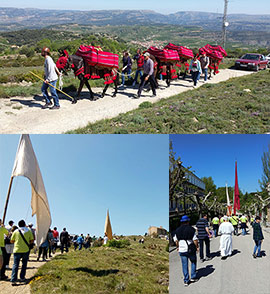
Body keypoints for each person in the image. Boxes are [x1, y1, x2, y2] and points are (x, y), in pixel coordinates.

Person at [173, 215, 198, 286]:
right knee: (193, 262)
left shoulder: (177, 230)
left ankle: (186, 280)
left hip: (182, 249)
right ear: (188, 222)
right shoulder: (191, 229)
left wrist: (178, 246)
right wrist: (197, 247)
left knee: (184, 265)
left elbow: (176, 240)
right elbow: (195, 240)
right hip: (190, 249)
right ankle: (193, 277)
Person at [10, 220, 34, 285]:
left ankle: (13, 279)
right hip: (25, 250)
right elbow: (31, 240)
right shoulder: (28, 230)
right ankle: (22, 277)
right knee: (24, 264)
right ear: (25, 224)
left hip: (17, 250)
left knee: (15, 265)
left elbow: (11, 241)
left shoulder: (15, 231)